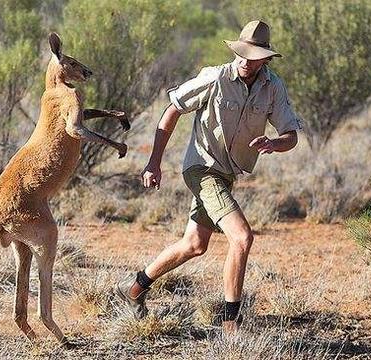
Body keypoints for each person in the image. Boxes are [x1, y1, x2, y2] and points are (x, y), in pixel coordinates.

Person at [115, 20, 302, 332]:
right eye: (242, 53)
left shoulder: (273, 87)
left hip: (227, 173)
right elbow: (173, 109)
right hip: (201, 168)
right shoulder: (214, 77)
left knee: (194, 244)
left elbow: (291, 135)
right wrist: (154, 162)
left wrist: (274, 143)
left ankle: (134, 289)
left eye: (253, 55)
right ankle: (231, 325)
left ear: (265, 59)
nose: (245, 60)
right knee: (242, 237)